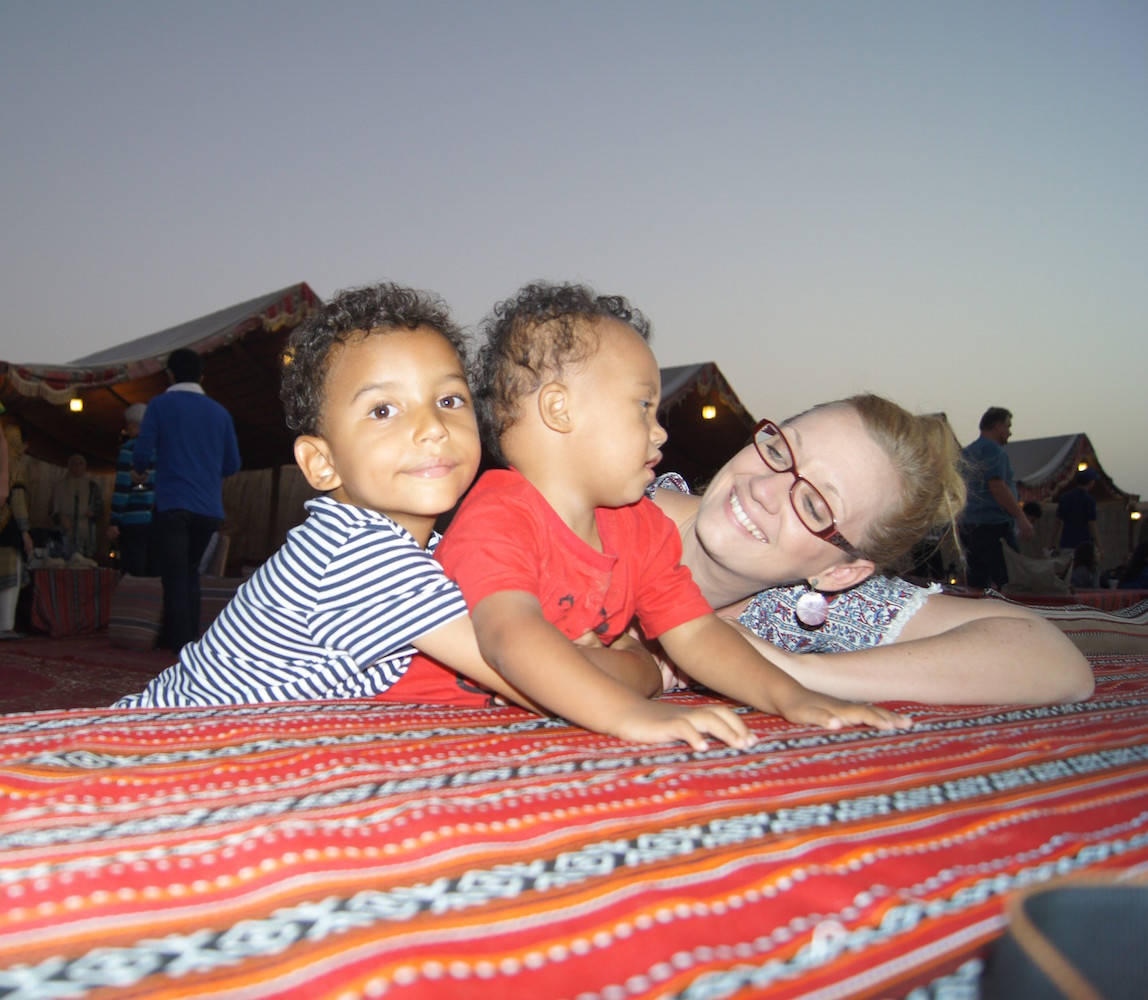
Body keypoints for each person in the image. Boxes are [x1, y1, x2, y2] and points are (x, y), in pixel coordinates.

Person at [405, 281, 908, 748]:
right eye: (643, 406)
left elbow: (694, 632)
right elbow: (508, 637)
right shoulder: (498, 515)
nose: (661, 431)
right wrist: (630, 714)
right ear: (560, 410)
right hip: (431, 719)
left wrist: (788, 697)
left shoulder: (640, 527)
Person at [116, 283, 560, 712]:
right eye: (383, 410)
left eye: (448, 400)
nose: (433, 427)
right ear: (321, 463)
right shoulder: (358, 554)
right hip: (148, 746)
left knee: (183, 578)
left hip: (225, 741)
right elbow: (534, 676)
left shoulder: (420, 549)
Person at [134, 347, 241, 653]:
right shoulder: (220, 413)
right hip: (209, 510)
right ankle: (191, 642)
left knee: (175, 575)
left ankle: (180, 646)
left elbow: (142, 453)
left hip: (173, 504)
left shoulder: (160, 405)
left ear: (169, 375)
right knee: (190, 573)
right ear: (202, 376)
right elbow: (232, 464)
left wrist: (140, 468)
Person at [959, 407, 1034, 589]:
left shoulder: (966, 453)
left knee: (976, 583)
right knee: (1009, 581)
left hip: (968, 526)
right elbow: (997, 486)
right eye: (1008, 426)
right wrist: (1021, 517)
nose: (1010, 432)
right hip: (993, 527)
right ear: (998, 426)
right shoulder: (994, 452)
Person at [107, 402, 155, 576]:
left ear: (134, 425)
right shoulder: (158, 449)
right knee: (150, 568)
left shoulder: (128, 450)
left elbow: (122, 488)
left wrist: (114, 521)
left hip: (132, 519)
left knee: (132, 568)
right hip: (154, 518)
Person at [0, 425, 34, 637]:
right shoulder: (14, 466)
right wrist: (25, 532)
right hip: (8, 530)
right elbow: (18, 502)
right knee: (10, 577)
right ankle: (5, 626)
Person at [50, 453, 104, 561]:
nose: (77, 467)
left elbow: (100, 509)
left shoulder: (92, 488)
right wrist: (61, 517)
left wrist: (92, 513)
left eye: (81, 464)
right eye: (74, 464)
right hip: (65, 534)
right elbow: (52, 510)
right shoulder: (60, 487)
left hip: (86, 535)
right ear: (69, 466)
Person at [1053, 468, 1103, 563]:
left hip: (1066, 542)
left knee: (1066, 572)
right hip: (1084, 545)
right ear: (1090, 482)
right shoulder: (1089, 500)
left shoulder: (1065, 498)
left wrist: (1051, 543)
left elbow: (1057, 522)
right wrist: (1099, 546)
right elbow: (1092, 524)